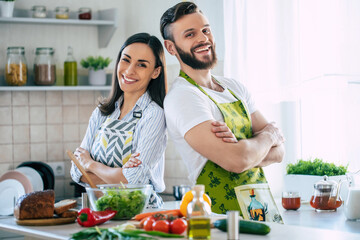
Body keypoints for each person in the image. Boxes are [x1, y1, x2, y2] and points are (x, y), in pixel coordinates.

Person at [160, 2, 285, 215]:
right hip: (220, 217)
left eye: (206, 30)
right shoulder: (182, 96)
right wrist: (268, 136)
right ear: (171, 47)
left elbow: (280, 152)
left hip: (262, 210)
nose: (203, 39)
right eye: (190, 34)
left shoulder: (234, 87)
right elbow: (237, 160)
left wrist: (243, 149)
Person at [70, 33, 168, 207]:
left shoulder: (154, 114)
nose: (129, 70)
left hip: (141, 215)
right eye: (126, 60)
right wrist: (120, 175)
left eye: (142, 65)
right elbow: (76, 170)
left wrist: (90, 164)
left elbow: (133, 181)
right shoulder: (102, 113)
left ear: (155, 72)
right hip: (101, 211)